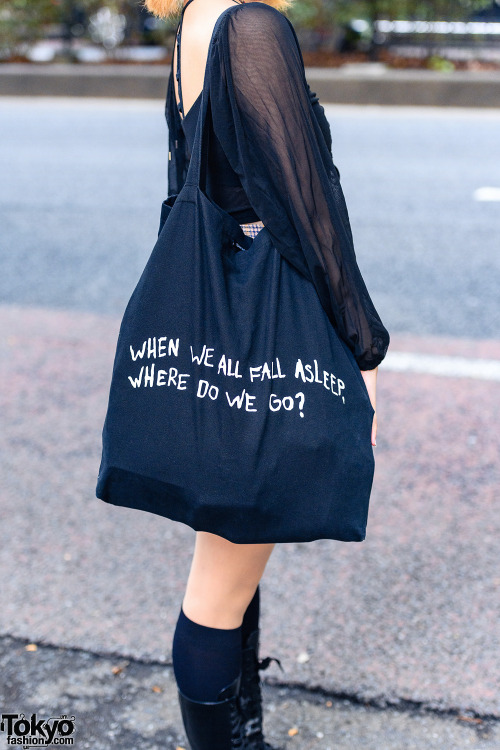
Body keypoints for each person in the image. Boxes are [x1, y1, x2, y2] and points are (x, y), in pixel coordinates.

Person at [139, 0, 390, 747]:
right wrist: (362, 345)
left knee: (230, 571)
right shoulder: (250, 25)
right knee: (217, 590)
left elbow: (197, 181)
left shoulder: (195, 19)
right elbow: (304, 206)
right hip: (268, 344)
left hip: (226, 340)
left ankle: (241, 722)